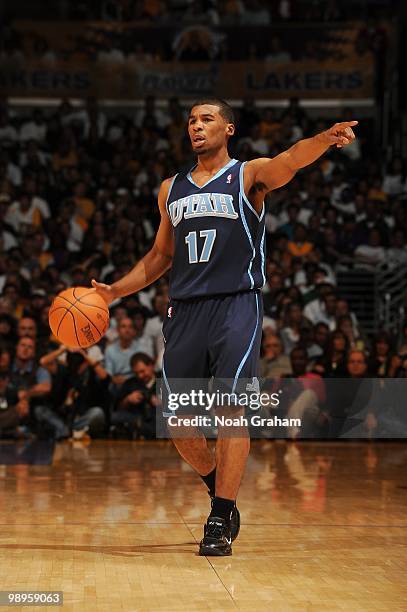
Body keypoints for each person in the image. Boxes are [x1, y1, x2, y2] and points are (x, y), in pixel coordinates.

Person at [92, 99, 357, 556]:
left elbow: (290, 161)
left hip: (236, 304)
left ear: (228, 128)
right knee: (178, 420)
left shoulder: (248, 174)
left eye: (206, 119)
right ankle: (221, 489)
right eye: (191, 121)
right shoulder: (169, 189)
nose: (196, 126)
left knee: (230, 411)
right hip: (185, 310)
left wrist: (324, 140)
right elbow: (160, 257)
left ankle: (219, 517)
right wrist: (116, 291)